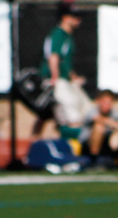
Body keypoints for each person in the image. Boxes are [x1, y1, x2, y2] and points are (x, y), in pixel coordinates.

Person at [38, 2, 91, 140]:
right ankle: (70, 152)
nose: (78, 20)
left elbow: (64, 63)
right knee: (72, 117)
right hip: (56, 80)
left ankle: (51, 144)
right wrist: (55, 78)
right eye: (75, 17)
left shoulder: (68, 36)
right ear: (66, 18)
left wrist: (73, 77)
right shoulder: (58, 34)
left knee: (57, 117)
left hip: (64, 79)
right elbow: (53, 57)